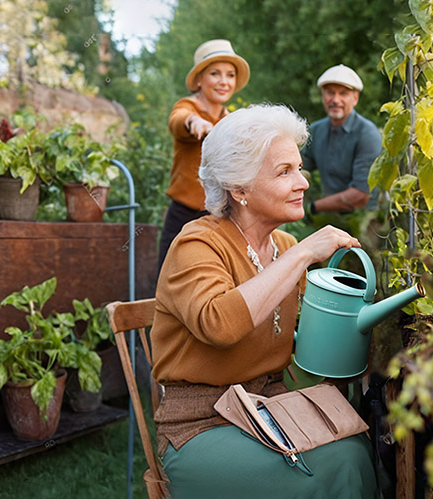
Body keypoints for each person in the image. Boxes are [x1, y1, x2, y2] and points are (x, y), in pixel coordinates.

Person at [150, 103, 377, 498]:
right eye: (284, 171)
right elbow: (220, 324)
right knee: (338, 465)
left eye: (299, 168)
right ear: (239, 189)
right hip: (201, 426)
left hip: (270, 409)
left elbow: (309, 343)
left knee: (354, 446)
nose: (302, 182)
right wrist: (303, 254)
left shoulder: (283, 246)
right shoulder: (197, 244)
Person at [157, 39, 250, 271]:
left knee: (210, 272)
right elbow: (178, 120)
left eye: (230, 75)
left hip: (220, 213)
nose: (224, 81)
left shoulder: (230, 119)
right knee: (170, 271)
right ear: (199, 79)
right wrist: (194, 122)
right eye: (215, 73)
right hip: (184, 212)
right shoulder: (188, 107)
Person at [301, 64, 382, 214]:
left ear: (355, 98)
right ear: (323, 96)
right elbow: (300, 166)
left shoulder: (367, 134)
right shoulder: (316, 130)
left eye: (343, 93)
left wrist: (312, 208)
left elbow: (361, 196)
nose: (335, 100)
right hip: (330, 215)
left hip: (364, 219)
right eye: (330, 93)